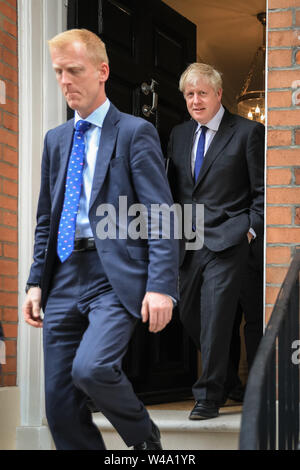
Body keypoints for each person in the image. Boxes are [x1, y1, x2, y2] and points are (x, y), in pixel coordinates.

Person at [22, 28, 179, 450]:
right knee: (58, 405)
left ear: (102, 71)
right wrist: (36, 280)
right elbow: (46, 217)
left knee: (91, 369)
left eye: (74, 70)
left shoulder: (133, 132)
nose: (65, 81)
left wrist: (162, 285)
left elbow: (160, 213)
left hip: (112, 275)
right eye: (58, 72)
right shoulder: (55, 140)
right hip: (63, 276)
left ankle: (146, 443)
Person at [167, 63, 264, 420]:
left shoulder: (248, 132)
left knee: (217, 316)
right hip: (189, 242)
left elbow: (261, 191)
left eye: (202, 93)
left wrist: (250, 229)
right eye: (190, 94)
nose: (195, 100)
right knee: (192, 315)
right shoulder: (178, 134)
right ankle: (226, 382)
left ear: (219, 94)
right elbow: (175, 190)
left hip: (230, 238)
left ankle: (209, 397)